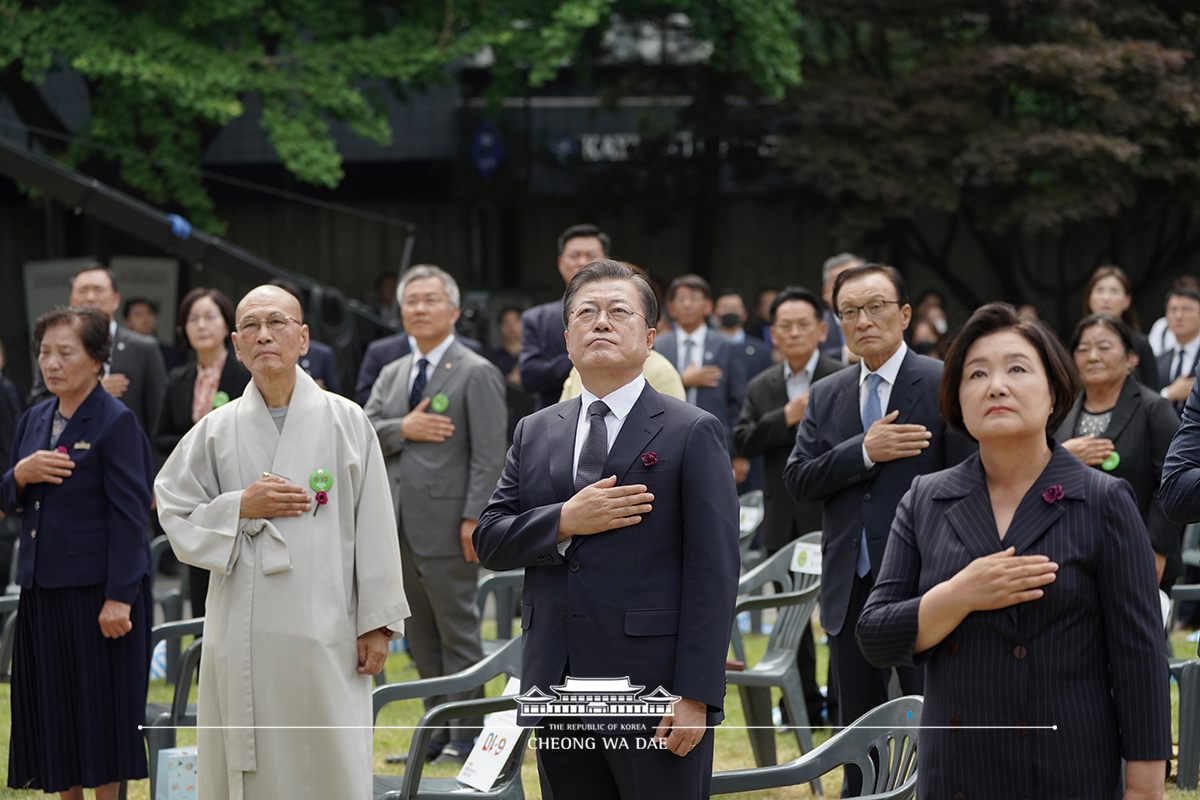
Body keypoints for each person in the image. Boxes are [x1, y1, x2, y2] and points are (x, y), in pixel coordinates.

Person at [858, 302, 1171, 799]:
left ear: (1054, 394)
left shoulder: (1102, 499)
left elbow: (1140, 657)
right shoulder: (926, 498)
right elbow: (875, 637)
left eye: (1017, 369)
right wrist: (959, 594)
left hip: (1068, 768)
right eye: (976, 373)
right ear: (958, 400)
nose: (996, 385)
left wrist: (1145, 786)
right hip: (955, 773)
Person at [474, 260, 740, 800]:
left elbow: (714, 573)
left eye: (619, 312)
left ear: (649, 338)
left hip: (651, 685)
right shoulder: (535, 430)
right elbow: (490, 538)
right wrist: (565, 520)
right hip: (557, 678)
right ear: (567, 337)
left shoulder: (691, 430)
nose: (601, 322)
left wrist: (696, 694)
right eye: (586, 313)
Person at [154, 285, 409, 800]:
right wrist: (238, 507)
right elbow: (172, 507)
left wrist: (377, 623)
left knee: (328, 754)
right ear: (237, 345)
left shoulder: (347, 420)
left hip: (328, 624)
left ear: (303, 337)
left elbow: (376, 525)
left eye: (277, 322)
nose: (264, 334)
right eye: (250, 326)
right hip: (242, 624)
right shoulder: (215, 430)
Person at [784, 264, 974, 793]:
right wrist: (863, 450)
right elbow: (798, 479)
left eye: (876, 307)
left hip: (926, 576)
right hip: (851, 580)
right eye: (850, 311)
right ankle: (860, 792)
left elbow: (972, 478)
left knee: (931, 707)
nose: (863, 320)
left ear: (905, 314)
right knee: (857, 720)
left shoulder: (941, 382)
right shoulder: (827, 394)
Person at [2, 307, 155, 798]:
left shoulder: (115, 422)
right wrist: (20, 475)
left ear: (96, 360)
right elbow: (8, 496)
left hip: (98, 598)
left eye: (65, 352)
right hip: (42, 589)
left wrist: (120, 598)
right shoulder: (34, 418)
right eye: (45, 352)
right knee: (57, 719)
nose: (51, 363)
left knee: (101, 718)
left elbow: (132, 518)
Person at [364, 266, 507, 764]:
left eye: (430, 300)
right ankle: (435, 734)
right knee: (420, 639)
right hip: (396, 523)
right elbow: (363, 432)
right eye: (411, 302)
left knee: (458, 633)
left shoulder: (476, 370)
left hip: (451, 527)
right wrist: (404, 426)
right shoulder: (392, 372)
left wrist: (476, 518)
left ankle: (467, 736)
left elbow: (491, 455)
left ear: (452, 310)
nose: (419, 309)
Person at [733, 286, 847, 727]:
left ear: (821, 330)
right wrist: (785, 415)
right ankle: (803, 708)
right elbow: (742, 439)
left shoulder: (842, 376)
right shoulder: (763, 385)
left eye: (804, 324)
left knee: (836, 617)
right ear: (773, 333)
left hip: (833, 514)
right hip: (783, 517)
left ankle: (840, 709)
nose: (795, 332)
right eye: (785, 325)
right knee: (791, 621)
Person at [1055, 314, 1183, 590]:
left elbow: (1172, 483)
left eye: (1104, 347)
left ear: (1131, 358)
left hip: (1137, 554)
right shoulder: (1061, 412)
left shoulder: (1153, 409)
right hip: (1070, 555)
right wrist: (1063, 457)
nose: (1092, 356)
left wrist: (1156, 551)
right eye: (1083, 348)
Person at [153, 288, 251, 617]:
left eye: (210, 317)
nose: (201, 326)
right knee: (201, 595)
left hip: (241, 488)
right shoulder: (178, 378)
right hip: (197, 497)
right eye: (192, 319)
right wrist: (200, 439)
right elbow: (160, 437)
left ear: (228, 326)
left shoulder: (246, 374)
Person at [31, 265, 168, 439]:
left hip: (127, 451)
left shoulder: (143, 347)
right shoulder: (55, 346)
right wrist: (89, 393)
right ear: (71, 300)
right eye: (83, 291)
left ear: (116, 299)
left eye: (98, 290)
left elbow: (159, 417)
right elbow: (37, 404)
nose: (90, 298)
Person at [654, 274, 748, 484]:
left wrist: (739, 453)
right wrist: (682, 380)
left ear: (708, 306)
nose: (687, 304)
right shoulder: (658, 346)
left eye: (694, 298)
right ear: (671, 307)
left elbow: (740, 401)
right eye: (681, 299)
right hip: (665, 439)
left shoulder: (727, 347)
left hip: (714, 440)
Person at [519, 223, 611, 410]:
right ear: (561, 263)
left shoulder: (626, 315)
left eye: (591, 256)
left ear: (607, 262)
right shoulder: (536, 319)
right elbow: (529, 377)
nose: (582, 262)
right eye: (574, 255)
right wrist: (581, 354)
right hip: (553, 423)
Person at [1082, 265, 1158, 389]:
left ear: (1127, 301)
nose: (1106, 298)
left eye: (1114, 291)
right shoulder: (1079, 340)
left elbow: (1153, 393)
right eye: (1100, 290)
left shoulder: (1140, 344)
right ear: (1089, 299)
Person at [1157, 286, 1200, 415]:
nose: (1179, 316)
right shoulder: (1158, 361)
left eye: (1187, 309)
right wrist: (1168, 394)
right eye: (1173, 310)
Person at [818, 253, 865, 362]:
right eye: (838, 281)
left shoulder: (885, 317)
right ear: (825, 292)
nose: (847, 287)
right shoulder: (814, 325)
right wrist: (843, 355)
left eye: (854, 279)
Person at [124, 297, 186, 372]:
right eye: (138, 314)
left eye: (149, 313)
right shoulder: (120, 354)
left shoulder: (172, 354)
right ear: (127, 321)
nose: (145, 318)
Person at [491, 305, 525, 385]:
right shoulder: (493, 358)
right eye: (507, 322)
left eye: (516, 321)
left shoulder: (534, 356)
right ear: (500, 327)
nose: (512, 327)